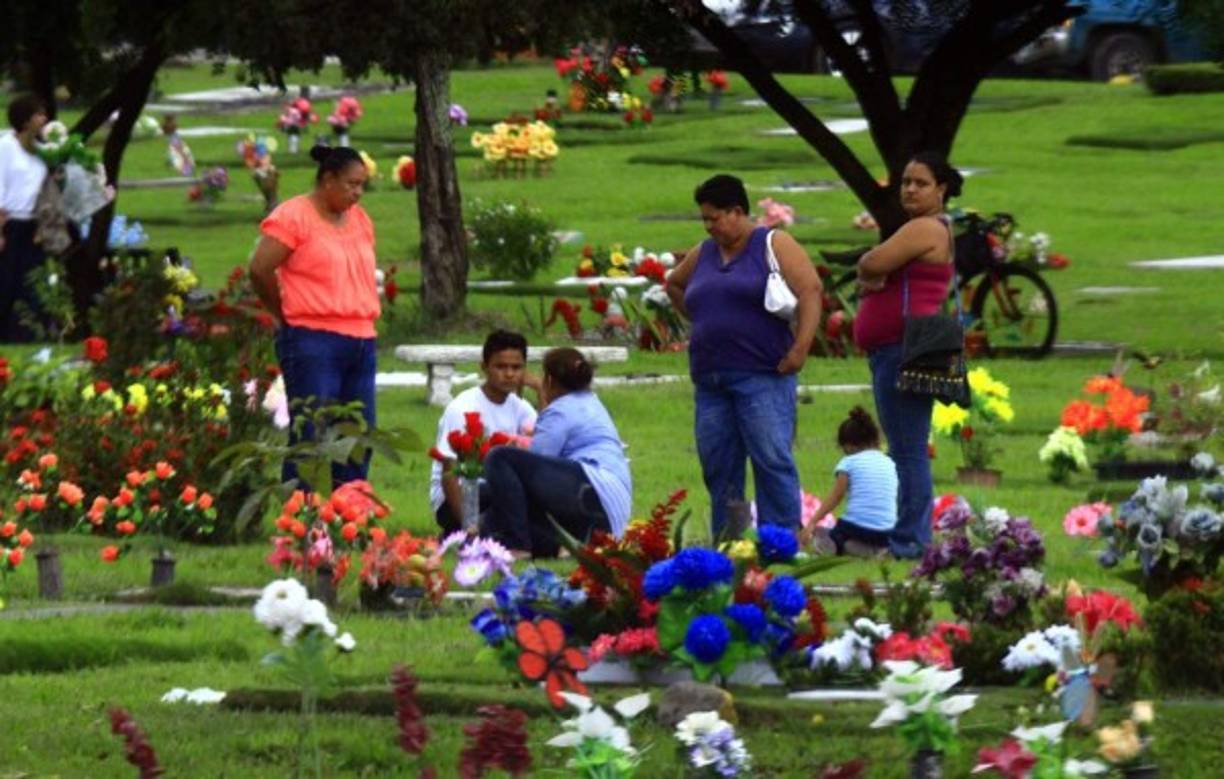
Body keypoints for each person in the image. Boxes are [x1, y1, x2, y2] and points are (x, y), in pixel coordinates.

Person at [665, 173, 822, 537]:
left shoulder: (773, 243)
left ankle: (780, 539)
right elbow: (674, 283)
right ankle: (729, 541)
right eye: (704, 219)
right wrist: (700, 319)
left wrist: (800, 347)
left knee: (770, 458)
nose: (708, 226)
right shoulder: (704, 253)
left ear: (737, 212)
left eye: (714, 218)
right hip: (710, 379)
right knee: (719, 465)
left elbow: (811, 289)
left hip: (762, 373)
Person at [853, 151, 962, 558]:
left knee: (907, 450)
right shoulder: (931, 229)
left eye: (921, 183)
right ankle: (910, 535)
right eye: (906, 183)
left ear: (942, 189)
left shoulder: (924, 228)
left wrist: (872, 270)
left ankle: (910, 541)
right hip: (906, 345)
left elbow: (871, 260)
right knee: (907, 447)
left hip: (903, 348)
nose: (910, 189)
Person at [249, 145, 378, 488]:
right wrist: (283, 313)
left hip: (362, 337)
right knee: (311, 434)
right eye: (351, 184)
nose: (357, 192)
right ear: (328, 179)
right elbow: (260, 269)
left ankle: (348, 514)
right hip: (313, 339)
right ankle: (299, 518)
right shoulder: (294, 216)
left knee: (358, 434)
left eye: (362, 185)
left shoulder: (360, 219)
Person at [483, 347, 631, 558]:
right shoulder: (591, 401)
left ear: (549, 380)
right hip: (607, 509)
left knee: (499, 458)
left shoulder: (561, 410)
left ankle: (518, 546)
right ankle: (563, 547)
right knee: (493, 519)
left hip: (592, 488)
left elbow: (538, 463)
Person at [430, 330, 538, 535]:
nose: (509, 374)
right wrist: (468, 525)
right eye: (501, 366)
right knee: (508, 494)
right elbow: (449, 473)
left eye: (516, 367)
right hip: (457, 497)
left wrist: (541, 390)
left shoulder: (521, 407)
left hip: (500, 492)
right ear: (484, 367)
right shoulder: (462, 407)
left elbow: (546, 448)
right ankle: (472, 533)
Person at [801, 406, 898, 557]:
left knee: (831, 533)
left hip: (856, 529)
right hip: (886, 532)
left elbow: (837, 496)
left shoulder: (849, 462)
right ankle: (874, 550)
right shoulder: (889, 462)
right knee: (853, 536)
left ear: (848, 445)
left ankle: (836, 547)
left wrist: (813, 521)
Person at [0, 94, 49, 342]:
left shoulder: (41, 150)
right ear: (26, 120)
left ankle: (25, 332)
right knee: (6, 277)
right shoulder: (6, 146)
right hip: (10, 222)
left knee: (30, 280)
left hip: (33, 223)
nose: (44, 119)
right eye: (39, 114)